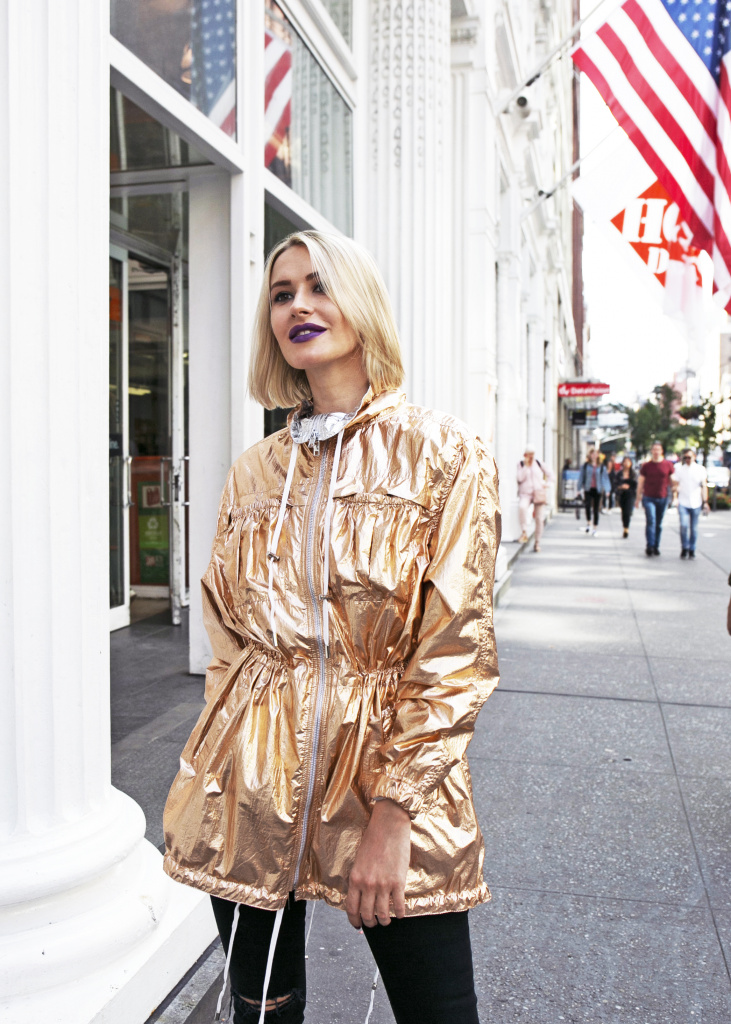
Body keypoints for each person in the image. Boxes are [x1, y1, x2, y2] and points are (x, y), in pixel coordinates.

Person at [162, 230, 501, 1024]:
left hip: (390, 774)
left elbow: (455, 650)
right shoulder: (256, 470)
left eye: (318, 286)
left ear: (361, 302)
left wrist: (395, 812)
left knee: (439, 1011)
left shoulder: (443, 452)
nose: (298, 306)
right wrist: (217, 767)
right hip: (251, 775)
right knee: (262, 1009)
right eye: (281, 294)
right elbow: (228, 638)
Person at [635, 440, 677, 556]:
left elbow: (673, 481)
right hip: (648, 497)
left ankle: (656, 546)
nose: (656, 452)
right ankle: (650, 546)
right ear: (651, 451)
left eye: (658, 449)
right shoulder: (646, 466)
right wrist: (638, 497)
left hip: (663, 497)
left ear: (661, 451)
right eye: (654, 449)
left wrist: (675, 496)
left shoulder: (668, 465)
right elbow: (641, 482)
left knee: (658, 523)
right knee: (651, 520)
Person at [673, 448, 709, 559]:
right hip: (683, 502)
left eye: (689, 457)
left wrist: (705, 502)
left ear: (694, 457)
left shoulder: (700, 469)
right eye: (685, 457)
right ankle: (685, 547)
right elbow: (676, 485)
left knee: (694, 528)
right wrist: (675, 498)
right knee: (684, 526)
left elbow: (704, 486)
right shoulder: (679, 469)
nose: (687, 459)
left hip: (696, 502)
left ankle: (692, 549)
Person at [517, 445, 551, 552]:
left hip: (538, 493)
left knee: (539, 519)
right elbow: (519, 478)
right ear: (525, 455)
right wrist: (526, 466)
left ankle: (537, 543)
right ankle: (524, 532)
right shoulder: (521, 464)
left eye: (532, 454)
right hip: (525, 493)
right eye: (529, 454)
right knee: (522, 507)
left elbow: (550, 474)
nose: (531, 456)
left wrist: (546, 484)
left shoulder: (539, 463)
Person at [578, 449, 611, 535]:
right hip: (588, 489)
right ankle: (589, 523)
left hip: (598, 490)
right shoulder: (585, 466)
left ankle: (595, 528)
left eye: (595, 454)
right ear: (589, 455)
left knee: (596, 509)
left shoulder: (602, 467)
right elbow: (581, 477)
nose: (593, 456)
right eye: (592, 454)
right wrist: (578, 489)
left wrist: (607, 490)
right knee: (587, 506)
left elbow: (605, 479)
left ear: (597, 456)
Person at [616, 456, 637, 538]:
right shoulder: (619, 474)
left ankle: (626, 529)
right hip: (621, 495)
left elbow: (636, 485)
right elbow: (615, 484)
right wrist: (621, 486)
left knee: (628, 512)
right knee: (624, 512)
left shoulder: (633, 474)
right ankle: (624, 526)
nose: (626, 463)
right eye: (625, 461)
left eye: (628, 461)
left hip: (630, 495)